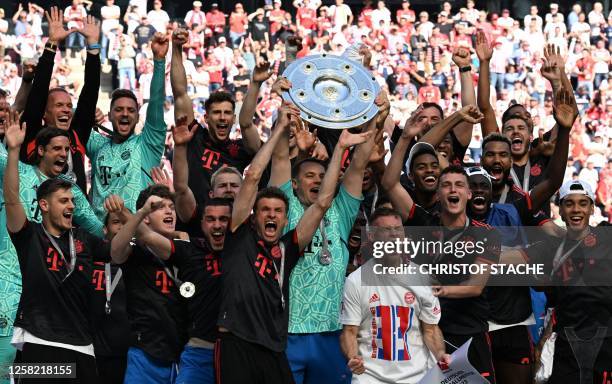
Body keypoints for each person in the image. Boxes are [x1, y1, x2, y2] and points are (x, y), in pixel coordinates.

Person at [215, 102, 372, 383]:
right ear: (253, 216)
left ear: (287, 218)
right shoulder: (239, 235)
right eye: (265, 210)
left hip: (282, 341)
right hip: (244, 340)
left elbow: (324, 202)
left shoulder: (287, 249)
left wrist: (340, 148)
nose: (272, 215)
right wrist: (279, 129)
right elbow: (252, 177)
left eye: (278, 211)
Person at [268, 86, 384, 382]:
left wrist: (377, 116)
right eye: (309, 176)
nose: (318, 180)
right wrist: (286, 103)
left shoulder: (341, 209)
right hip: (288, 330)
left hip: (331, 331)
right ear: (294, 184)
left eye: (322, 176)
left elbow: (359, 163)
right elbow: (281, 158)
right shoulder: (285, 203)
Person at [3, 112, 117, 384]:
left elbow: (97, 230)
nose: (64, 154)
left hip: (58, 313)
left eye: (67, 149)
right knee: (7, 370)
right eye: (57, 148)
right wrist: (13, 149)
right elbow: (10, 198)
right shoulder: (14, 170)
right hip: (8, 288)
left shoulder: (73, 194)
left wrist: (122, 221)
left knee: (25, 372)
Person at [502, 180, 612, 383]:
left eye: (583, 203)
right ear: (560, 210)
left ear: (592, 209)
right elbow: (505, 259)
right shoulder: (550, 249)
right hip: (568, 350)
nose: (576, 209)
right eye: (569, 204)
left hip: (606, 350)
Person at [403, 165, 502, 383]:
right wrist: (406, 139)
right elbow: (390, 184)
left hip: (470, 332)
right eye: (446, 185)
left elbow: (475, 287)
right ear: (438, 194)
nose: (453, 190)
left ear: (468, 194)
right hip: (428, 332)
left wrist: (437, 290)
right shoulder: (423, 225)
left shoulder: (487, 234)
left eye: (459, 185)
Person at [340, 207, 451, 383]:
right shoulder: (355, 280)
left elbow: (430, 329)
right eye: (386, 230)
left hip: (417, 377)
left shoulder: (422, 277)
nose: (394, 235)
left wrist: (440, 354)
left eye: (398, 229)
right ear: (371, 236)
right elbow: (350, 331)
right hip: (370, 378)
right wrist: (353, 357)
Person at [170, 28, 261, 206]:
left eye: (227, 113)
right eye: (216, 113)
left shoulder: (241, 148)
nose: (222, 117)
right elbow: (180, 93)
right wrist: (177, 49)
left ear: (233, 119)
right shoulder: (194, 135)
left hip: (228, 224)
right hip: (192, 222)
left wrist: (256, 83)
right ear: (206, 118)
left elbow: (248, 124)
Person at [109, 184, 188, 384]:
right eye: (160, 207)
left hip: (183, 355)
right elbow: (116, 251)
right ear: (146, 218)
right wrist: (142, 211)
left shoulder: (187, 249)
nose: (169, 210)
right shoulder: (136, 251)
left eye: (172, 206)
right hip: (145, 354)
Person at [87, 32, 168, 220]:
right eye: (119, 110)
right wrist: (86, 115)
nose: (125, 114)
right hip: (100, 237)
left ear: (138, 116)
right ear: (109, 115)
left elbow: (156, 101)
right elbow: (66, 115)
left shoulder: (148, 144)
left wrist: (159, 61)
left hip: (137, 235)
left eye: (131, 110)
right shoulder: (97, 145)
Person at [20, 7, 101, 194]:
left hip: (76, 222)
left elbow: (90, 93)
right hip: (39, 220)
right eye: (59, 105)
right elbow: (38, 93)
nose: (66, 110)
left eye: (69, 106)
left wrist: (93, 46)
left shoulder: (77, 135)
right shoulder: (32, 134)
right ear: (45, 113)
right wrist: (52, 43)